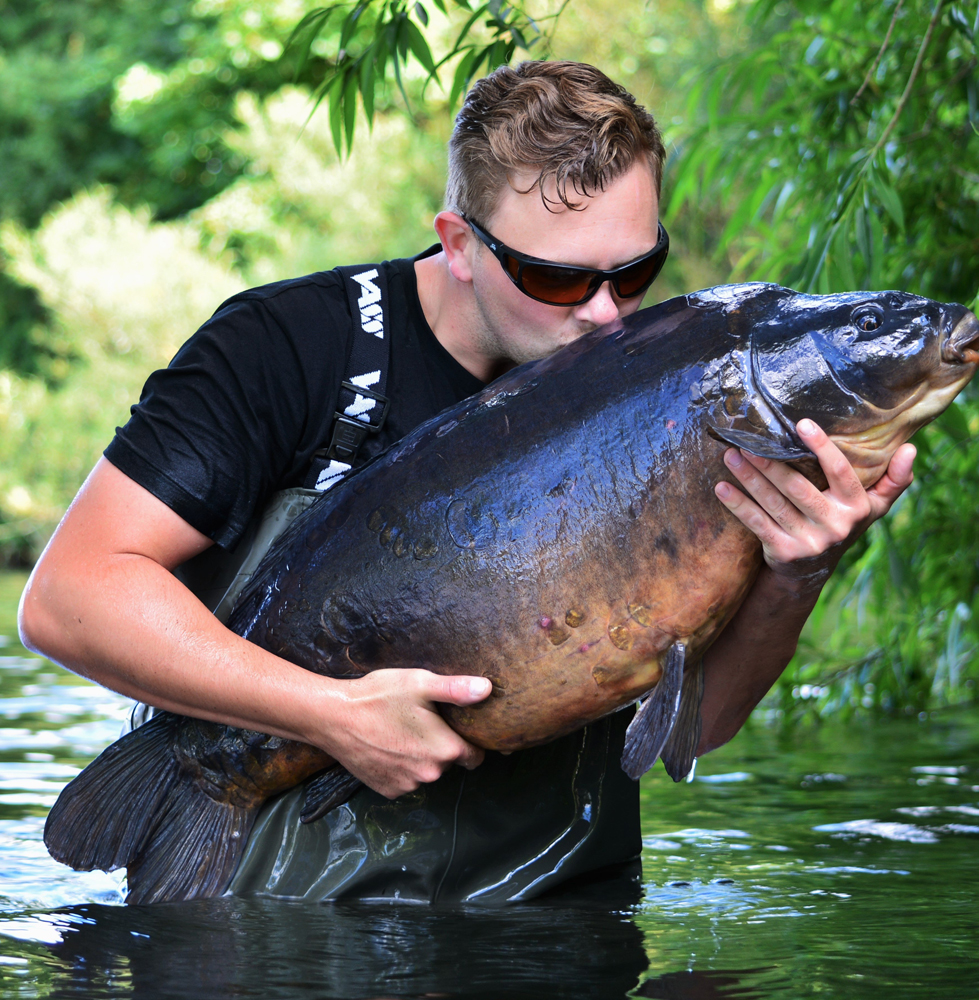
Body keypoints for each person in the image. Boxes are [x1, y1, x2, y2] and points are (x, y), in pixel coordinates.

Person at [18, 61, 915, 902]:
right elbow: (67, 598)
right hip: (296, 936)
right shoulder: (285, 347)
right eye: (553, 278)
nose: (603, 313)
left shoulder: (680, 392)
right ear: (460, 243)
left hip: (558, 923)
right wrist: (329, 712)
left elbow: (701, 724)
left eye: (634, 272)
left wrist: (798, 575)